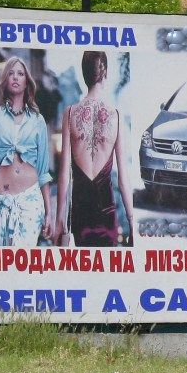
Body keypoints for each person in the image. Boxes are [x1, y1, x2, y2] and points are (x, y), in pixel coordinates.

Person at [54, 51, 134, 247]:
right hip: (106, 208)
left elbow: (64, 174)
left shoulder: (70, 113)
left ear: (84, 74)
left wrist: (59, 220)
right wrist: (131, 219)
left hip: (80, 209)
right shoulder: (115, 115)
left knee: (83, 264)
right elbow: (123, 178)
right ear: (105, 73)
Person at [0, 56, 52, 246]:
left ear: (27, 81)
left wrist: (49, 213)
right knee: (5, 261)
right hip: (1, 202)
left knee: (23, 258)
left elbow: (43, 171)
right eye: (10, 73)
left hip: (31, 200)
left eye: (20, 74)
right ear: (4, 80)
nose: (15, 77)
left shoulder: (38, 120)